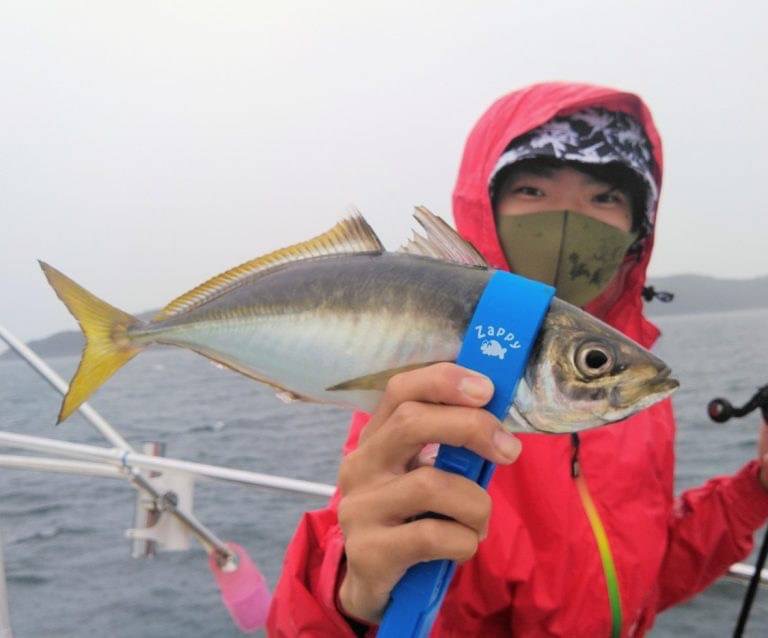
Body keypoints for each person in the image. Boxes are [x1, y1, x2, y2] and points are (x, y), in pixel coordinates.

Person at [266, 82, 768, 636]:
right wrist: (356, 600)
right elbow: (356, 552)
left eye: (604, 197)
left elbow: (639, 575)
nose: (568, 218)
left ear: (638, 230)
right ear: (486, 204)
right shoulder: (433, 384)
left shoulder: (624, 386)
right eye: (532, 188)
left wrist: (759, 488)